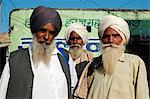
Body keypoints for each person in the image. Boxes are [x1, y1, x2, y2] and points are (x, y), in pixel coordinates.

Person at [0, 6, 77, 99]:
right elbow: (2, 93)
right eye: (42, 31)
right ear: (34, 31)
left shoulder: (65, 58)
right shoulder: (15, 60)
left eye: (51, 32)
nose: (46, 37)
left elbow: (72, 87)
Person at [75, 15, 149, 99]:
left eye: (115, 36)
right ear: (102, 39)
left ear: (123, 39)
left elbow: (142, 95)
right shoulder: (93, 64)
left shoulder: (135, 63)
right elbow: (81, 94)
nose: (110, 40)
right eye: (106, 36)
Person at [64, 23, 93, 98]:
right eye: (72, 39)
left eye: (78, 38)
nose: (75, 41)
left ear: (83, 41)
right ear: (68, 41)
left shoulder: (89, 61)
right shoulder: (63, 58)